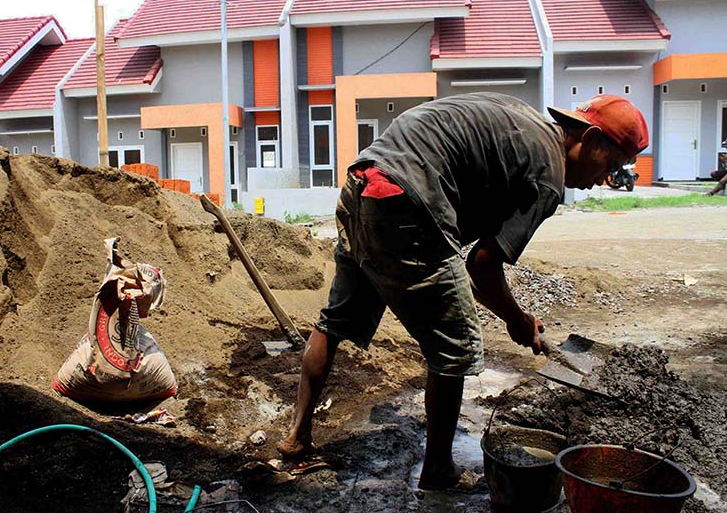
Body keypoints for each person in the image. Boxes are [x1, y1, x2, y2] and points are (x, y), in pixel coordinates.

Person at [277, 92, 648, 490]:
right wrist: (518, 320)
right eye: (609, 165)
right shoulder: (547, 174)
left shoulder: (523, 119)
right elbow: (482, 268)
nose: (599, 182)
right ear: (589, 139)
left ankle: (297, 438)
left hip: (363, 182)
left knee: (335, 322)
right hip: (408, 199)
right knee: (455, 347)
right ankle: (438, 469)